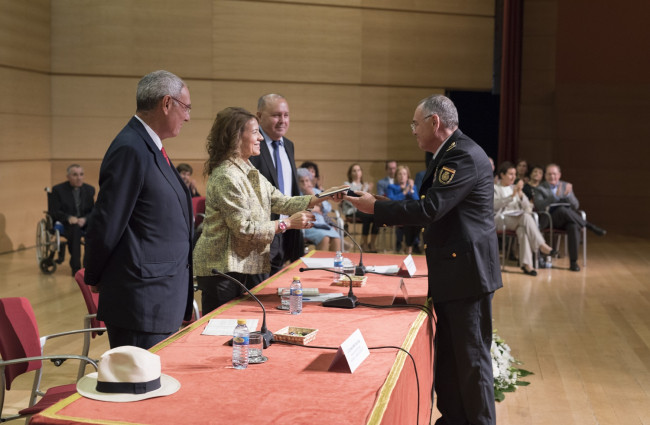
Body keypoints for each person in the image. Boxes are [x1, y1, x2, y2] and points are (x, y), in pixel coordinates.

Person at [341, 94, 501, 425]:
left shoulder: (462, 157)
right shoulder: (452, 154)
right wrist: (380, 202)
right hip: (455, 273)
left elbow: (430, 209)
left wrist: (377, 208)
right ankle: (454, 419)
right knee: (451, 360)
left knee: (471, 361)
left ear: (434, 122)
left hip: (467, 276)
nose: (413, 131)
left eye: (415, 124)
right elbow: (434, 205)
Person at [84, 70, 194, 350]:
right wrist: (94, 275)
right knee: (139, 390)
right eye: (186, 107)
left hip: (159, 298)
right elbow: (107, 221)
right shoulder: (130, 149)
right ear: (166, 104)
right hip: (140, 303)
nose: (188, 117)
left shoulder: (150, 147)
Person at [193, 107, 337, 313]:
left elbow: (281, 201)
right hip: (221, 271)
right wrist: (286, 223)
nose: (260, 137)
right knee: (220, 331)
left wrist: (322, 196)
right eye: (254, 132)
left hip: (239, 267)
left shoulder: (249, 169)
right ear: (236, 137)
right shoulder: (226, 175)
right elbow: (243, 228)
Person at [249, 94, 303, 275]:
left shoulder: (289, 145)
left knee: (279, 289)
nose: (282, 120)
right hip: (263, 233)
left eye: (286, 115)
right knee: (261, 291)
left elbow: (292, 189)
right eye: (276, 115)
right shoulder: (251, 145)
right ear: (259, 116)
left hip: (288, 230)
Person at [533, 163, 606, 271]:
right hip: (549, 219)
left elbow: (576, 205)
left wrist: (567, 195)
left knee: (573, 226)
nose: (552, 177)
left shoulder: (566, 186)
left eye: (554, 174)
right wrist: (556, 197)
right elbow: (540, 206)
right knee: (562, 210)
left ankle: (573, 263)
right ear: (545, 176)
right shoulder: (540, 188)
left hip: (567, 220)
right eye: (549, 174)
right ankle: (589, 226)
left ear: (559, 175)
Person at [494, 161, 556, 276]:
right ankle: (542, 245)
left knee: (523, 230)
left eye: (514, 174)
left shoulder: (516, 189)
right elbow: (494, 205)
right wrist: (511, 196)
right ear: (502, 175)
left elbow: (528, 208)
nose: (514, 177)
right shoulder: (495, 188)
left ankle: (527, 265)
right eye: (510, 174)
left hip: (517, 219)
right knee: (524, 217)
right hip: (499, 219)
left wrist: (521, 195)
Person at [49, 164, 95, 276]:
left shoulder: (90, 189)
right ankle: (76, 269)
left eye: (81, 174)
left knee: (96, 230)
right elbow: (54, 211)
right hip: (66, 223)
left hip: (84, 222)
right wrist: (69, 218)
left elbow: (94, 211)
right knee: (75, 231)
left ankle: (89, 267)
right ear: (68, 176)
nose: (79, 177)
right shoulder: (57, 190)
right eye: (75, 175)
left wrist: (85, 219)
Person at [296, 167, 341, 251]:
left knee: (336, 239)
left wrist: (314, 195)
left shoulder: (316, 191)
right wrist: (314, 209)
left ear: (310, 181)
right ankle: (320, 264)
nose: (305, 183)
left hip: (322, 224)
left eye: (307, 180)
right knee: (325, 238)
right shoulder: (297, 193)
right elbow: (297, 209)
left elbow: (328, 207)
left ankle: (332, 263)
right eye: (302, 181)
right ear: (297, 183)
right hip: (308, 225)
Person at [341, 163, 378, 252]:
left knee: (377, 216)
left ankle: (372, 243)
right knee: (367, 216)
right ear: (350, 173)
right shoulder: (347, 184)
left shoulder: (365, 185)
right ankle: (364, 243)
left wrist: (369, 191)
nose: (357, 172)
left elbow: (368, 200)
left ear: (361, 173)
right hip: (352, 209)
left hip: (363, 208)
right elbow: (349, 199)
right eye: (354, 171)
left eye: (359, 170)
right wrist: (363, 190)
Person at [385, 165, 420, 254]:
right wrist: (404, 192)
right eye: (399, 174)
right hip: (396, 213)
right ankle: (408, 245)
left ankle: (409, 245)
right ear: (396, 176)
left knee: (419, 220)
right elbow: (391, 201)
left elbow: (417, 201)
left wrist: (411, 189)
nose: (402, 176)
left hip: (410, 214)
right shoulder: (391, 187)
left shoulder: (413, 187)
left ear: (408, 176)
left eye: (404, 174)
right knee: (408, 219)